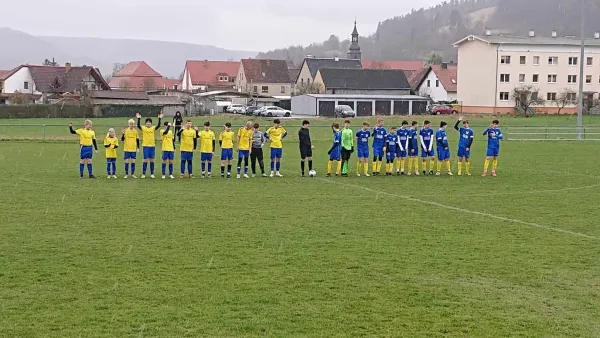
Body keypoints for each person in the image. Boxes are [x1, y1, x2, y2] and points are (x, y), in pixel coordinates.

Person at [136, 112, 163, 179]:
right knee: (145, 160)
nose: (148, 123)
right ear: (145, 123)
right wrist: (139, 119)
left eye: (149, 122)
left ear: (151, 123)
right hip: (145, 146)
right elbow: (138, 126)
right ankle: (143, 173)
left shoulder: (153, 128)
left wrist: (159, 119)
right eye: (147, 122)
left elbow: (158, 126)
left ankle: (152, 173)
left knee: (152, 160)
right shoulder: (143, 128)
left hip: (152, 146)